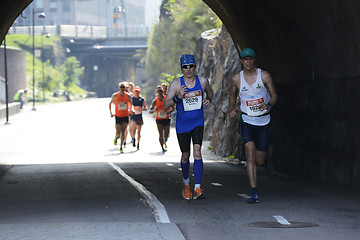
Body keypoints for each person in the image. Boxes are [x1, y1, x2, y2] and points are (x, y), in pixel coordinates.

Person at [228, 47, 278, 203]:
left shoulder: (264, 76)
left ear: (254, 59)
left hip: (263, 120)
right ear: (241, 61)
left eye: (250, 58)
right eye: (245, 59)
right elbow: (232, 95)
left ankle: (254, 179)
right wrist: (231, 109)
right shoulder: (237, 78)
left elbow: (275, 95)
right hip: (247, 120)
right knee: (250, 153)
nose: (247, 61)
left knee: (259, 160)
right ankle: (254, 192)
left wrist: (268, 105)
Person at [163, 54, 213, 200]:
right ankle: (186, 185)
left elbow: (210, 92)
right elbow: (166, 104)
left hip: (197, 123)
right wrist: (178, 97)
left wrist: (209, 99)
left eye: (191, 66)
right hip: (182, 125)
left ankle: (197, 188)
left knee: (197, 152)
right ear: (182, 68)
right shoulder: (176, 84)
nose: (189, 69)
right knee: (186, 155)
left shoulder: (202, 81)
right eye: (185, 67)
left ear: (195, 66)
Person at [109, 82, 133, 153]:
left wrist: (132, 110)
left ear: (125, 88)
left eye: (123, 87)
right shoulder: (115, 96)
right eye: (121, 87)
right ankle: (116, 137)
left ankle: (121, 146)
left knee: (123, 131)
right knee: (118, 131)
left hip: (125, 115)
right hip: (118, 116)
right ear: (119, 88)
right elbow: (110, 103)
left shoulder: (128, 96)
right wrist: (111, 113)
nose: (122, 88)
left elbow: (130, 104)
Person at [149, 86, 172, 154]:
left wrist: (169, 111)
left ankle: (165, 140)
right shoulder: (155, 100)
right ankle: (162, 148)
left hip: (166, 118)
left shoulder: (166, 99)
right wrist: (154, 110)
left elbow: (172, 107)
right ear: (156, 92)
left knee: (167, 133)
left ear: (163, 92)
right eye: (158, 91)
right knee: (160, 134)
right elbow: (150, 109)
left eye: (161, 91)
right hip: (159, 119)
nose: (159, 92)